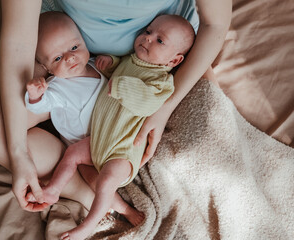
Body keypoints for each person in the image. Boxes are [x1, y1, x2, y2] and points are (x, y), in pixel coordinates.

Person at [0, 0, 231, 216]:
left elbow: (216, 23)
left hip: (158, 55)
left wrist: (165, 107)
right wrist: (18, 154)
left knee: (211, 159)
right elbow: (19, 41)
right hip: (62, 48)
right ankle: (81, 190)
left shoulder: (166, 50)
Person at [27, 14, 195, 240]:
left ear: (173, 61)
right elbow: (118, 70)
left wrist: (121, 85)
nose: (147, 39)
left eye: (159, 40)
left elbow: (148, 102)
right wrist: (111, 64)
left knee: (105, 181)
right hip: (96, 139)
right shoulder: (129, 61)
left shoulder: (162, 82)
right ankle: (55, 189)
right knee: (75, 158)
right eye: (147, 32)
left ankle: (89, 225)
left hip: (123, 147)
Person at [25, 11, 145, 226]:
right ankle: (122, 208)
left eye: (74, 47)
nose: (70, 57)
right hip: (84, 144)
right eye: (58, 58)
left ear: (83, 40)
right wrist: (35, 95)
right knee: (92, 178)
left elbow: (118, 74)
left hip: (109, 136)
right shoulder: (57, 87)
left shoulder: (92, 65)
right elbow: (42, 105)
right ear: (46, 67)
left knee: (103, 176)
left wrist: (109, 62)